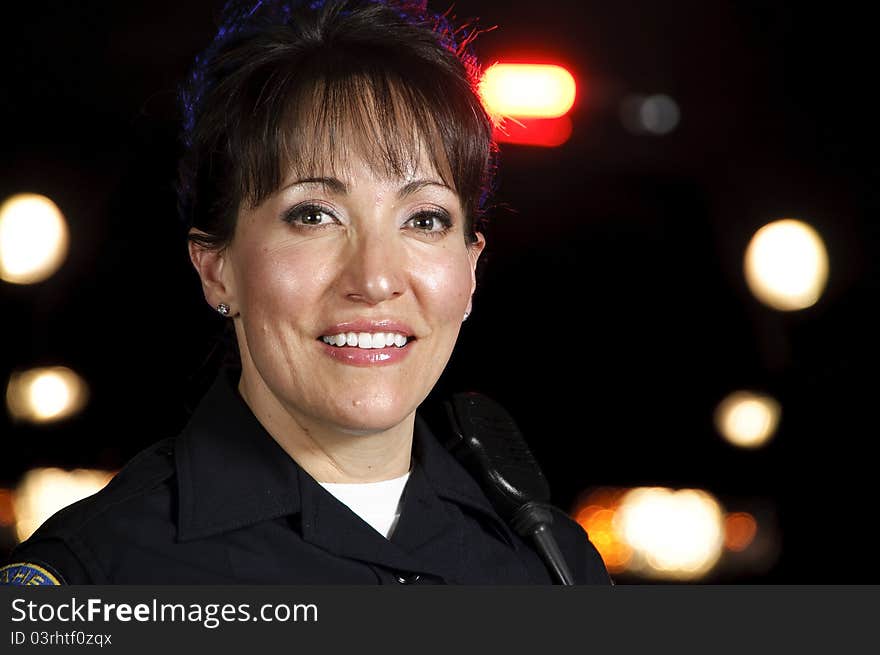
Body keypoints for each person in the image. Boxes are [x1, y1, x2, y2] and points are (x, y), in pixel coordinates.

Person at [1, 0, 611, 585]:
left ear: (471, 269)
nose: (374, 280)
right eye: (314, 215)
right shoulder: (99, 579)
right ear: (218, 269)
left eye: (424, 219)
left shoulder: (552, 565)